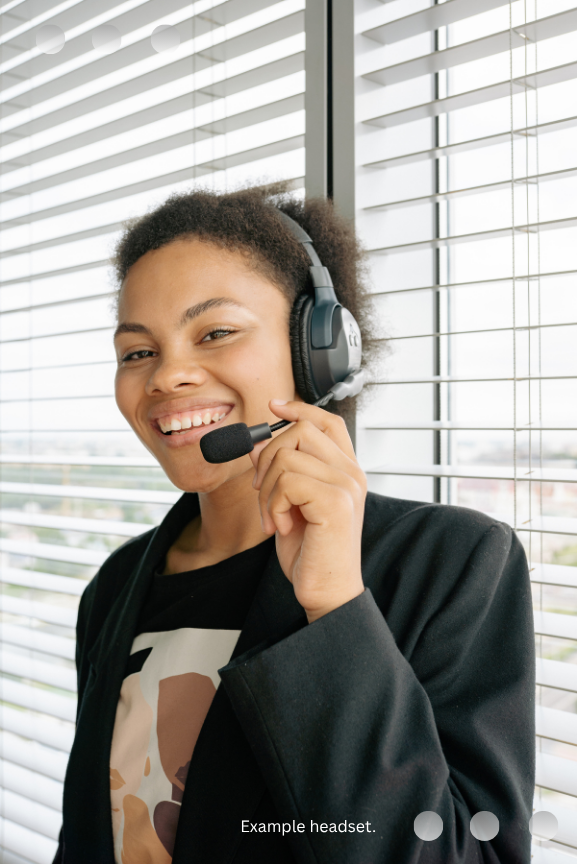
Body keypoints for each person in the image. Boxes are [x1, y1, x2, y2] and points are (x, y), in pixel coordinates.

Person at [53, 186, 535, 864]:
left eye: (214, 332)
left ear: (319, 348)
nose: (169, 376)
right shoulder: (116, 584)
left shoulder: (450, 562)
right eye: (137, 352)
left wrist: (335, 604)